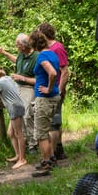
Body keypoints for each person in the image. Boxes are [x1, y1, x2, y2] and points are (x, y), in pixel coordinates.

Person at [0, 33, 38, 152]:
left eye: (18, 44)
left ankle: (33, 144)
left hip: (29, 88)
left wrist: (22, 78)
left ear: (25, 45)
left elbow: (39, 79)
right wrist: (4, 53)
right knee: (17, 114)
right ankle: (23, 142)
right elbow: (17, 60)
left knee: (27, 113)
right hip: (17, 87)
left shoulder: (36, 57)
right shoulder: (21, 54)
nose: (16, 46)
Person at [28, 30, 60, 177]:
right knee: (45, 129)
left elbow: (53, 73)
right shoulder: (52, 53)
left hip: (45, 98)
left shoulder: (42, 56)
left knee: (40, 133)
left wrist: (47, 88)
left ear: (34, 43)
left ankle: (46, 163)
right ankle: (52, 158)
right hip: (53, 97)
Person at [37, 22, 70, 160]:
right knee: (55, 122)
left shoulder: (57, 48)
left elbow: (65, 71)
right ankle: (59, 149)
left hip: (55, 91)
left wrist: (60, 90)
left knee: (54, 124)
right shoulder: (47, 49)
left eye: (38, 32)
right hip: (52, 91)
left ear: (44, 34)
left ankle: (53, 155)